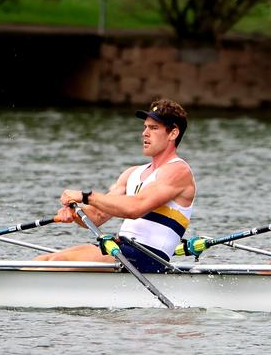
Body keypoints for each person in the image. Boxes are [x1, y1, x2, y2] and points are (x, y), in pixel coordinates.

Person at [35, 99, 196, 273]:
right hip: (122, 249)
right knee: (43, 260)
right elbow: (97, 215)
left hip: (150, 258)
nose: (145, 133)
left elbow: (135, 208)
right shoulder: (131, 174)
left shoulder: (178, 171)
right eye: (145, 127)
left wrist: (85, 196)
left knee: (59, 261)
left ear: (173, 134)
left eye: (154, 128)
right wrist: (74, 212)